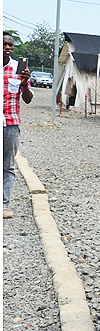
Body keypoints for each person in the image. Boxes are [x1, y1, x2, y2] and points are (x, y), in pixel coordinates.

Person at [3, 31, 32, 219]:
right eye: (4, 44)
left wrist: (24, 82)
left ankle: (3, 205)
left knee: (7, 166)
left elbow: (28, 99)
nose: (8, 48)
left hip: (11, 124)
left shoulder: (17, 69)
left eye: (11, 45)